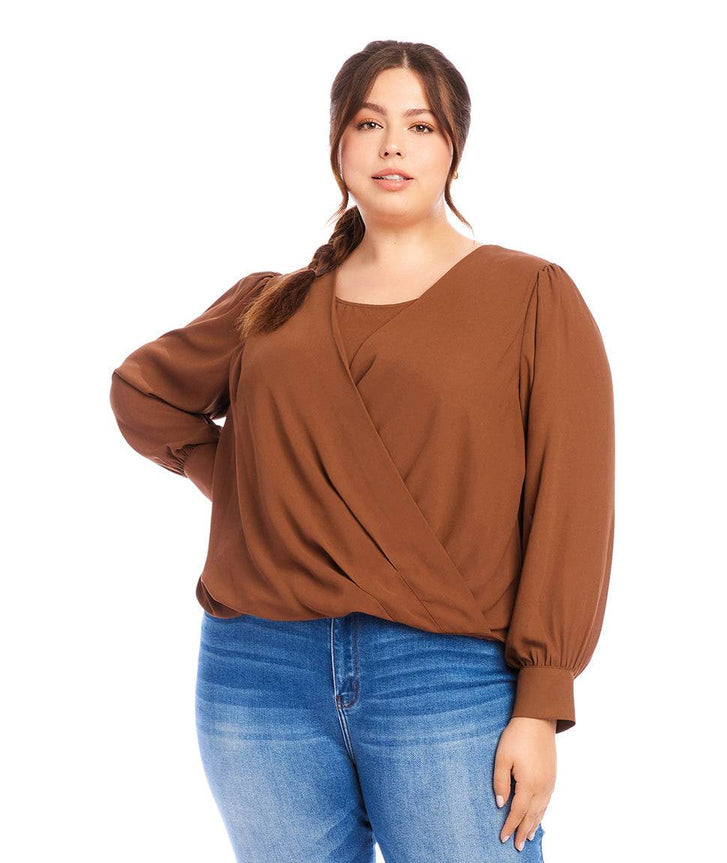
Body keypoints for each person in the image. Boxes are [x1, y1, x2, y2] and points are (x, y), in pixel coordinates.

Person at [109, 39, 615, 863]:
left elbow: (572, 504)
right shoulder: (272, 305)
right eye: (369, 123)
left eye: (420, 125)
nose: (392, 146)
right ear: (338, 144)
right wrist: (245, 487)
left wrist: (541, 699)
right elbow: (143, 394)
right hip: (257, 669)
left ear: (453, 147)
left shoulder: (533, 297)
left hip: (444, 671)